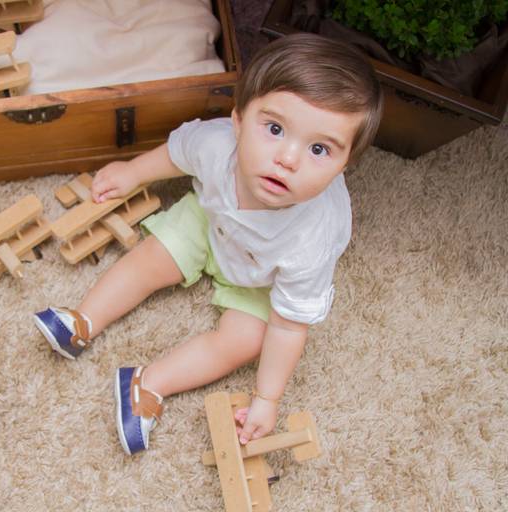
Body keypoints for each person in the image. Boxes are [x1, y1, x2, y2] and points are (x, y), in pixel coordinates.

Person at [33, 33, 384, 455]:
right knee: (150, 260)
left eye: (319, 149)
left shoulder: (314, 237)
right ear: (237, 121)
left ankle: (149, 384)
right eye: (274, 129)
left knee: (245, 341)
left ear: (345, 166)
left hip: (261, 279)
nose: (288, 159)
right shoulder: (219, 146)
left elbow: (290, 325)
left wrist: (267, 397)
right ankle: (83, 320)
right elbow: (176, 154)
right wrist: (133, 172)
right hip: (212, 219)